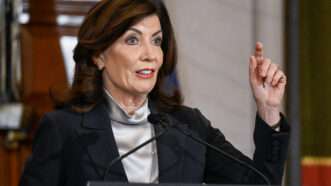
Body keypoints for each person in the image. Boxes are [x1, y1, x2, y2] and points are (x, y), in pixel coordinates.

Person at [19, 0, 289, 185]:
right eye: (132, 40)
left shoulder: (189, 127)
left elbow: (260, 183)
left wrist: (268, 109)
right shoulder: (62, 130)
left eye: (157, 41)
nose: (150, 55)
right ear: (99, 55)